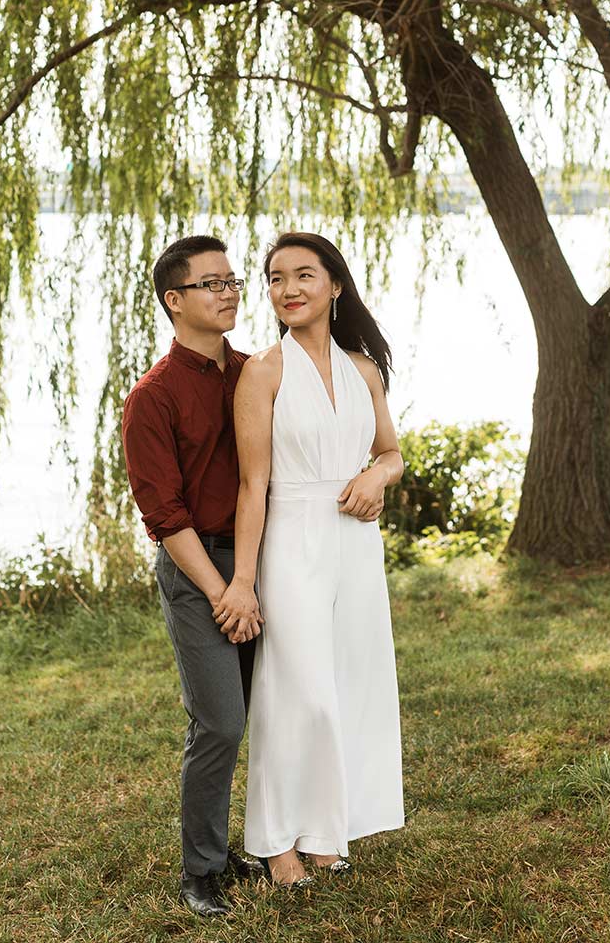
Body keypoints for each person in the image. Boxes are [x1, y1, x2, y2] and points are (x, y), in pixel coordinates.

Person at [212, 231, 405, 886]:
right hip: (291, 541)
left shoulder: (363, 369)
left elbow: (390, 452)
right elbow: (251, 485)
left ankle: (325, 834)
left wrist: (376, 478)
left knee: (347, 687)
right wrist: (243, 580)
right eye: (274, 278)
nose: (287, 289)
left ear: (336, 285)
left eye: (303, 275)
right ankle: (275, 842)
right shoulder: (262, 371)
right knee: (296, 694)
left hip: (354, 545)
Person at [121, 235, 264, 917]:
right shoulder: (152, 398)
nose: (229, 291)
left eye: (232, 280)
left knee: (271, 712)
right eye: (211, 283)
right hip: (197, 567)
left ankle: (267, 840)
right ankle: (201, 872)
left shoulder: (257, 373)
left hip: (264, 558)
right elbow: (164, 514)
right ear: (175, 301)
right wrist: (222, 589)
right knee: (220, 723)